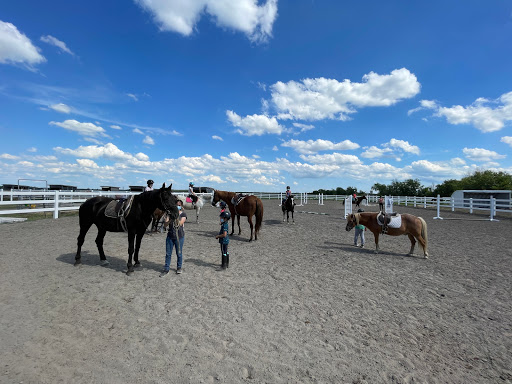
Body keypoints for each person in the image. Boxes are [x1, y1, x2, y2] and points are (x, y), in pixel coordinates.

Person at [160, 199, 187, 276]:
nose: (178, 206)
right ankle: (166, 268)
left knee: (179, 253)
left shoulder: (183, 214)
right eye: (176, 205)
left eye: (179, 205)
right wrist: (169, 219)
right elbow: (165, 225)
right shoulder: (169, 214)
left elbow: (180, 223)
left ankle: (179, 267)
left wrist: (176, 216)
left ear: (181, 206)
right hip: (170, 236)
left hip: (179, 236)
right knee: (168, 253)